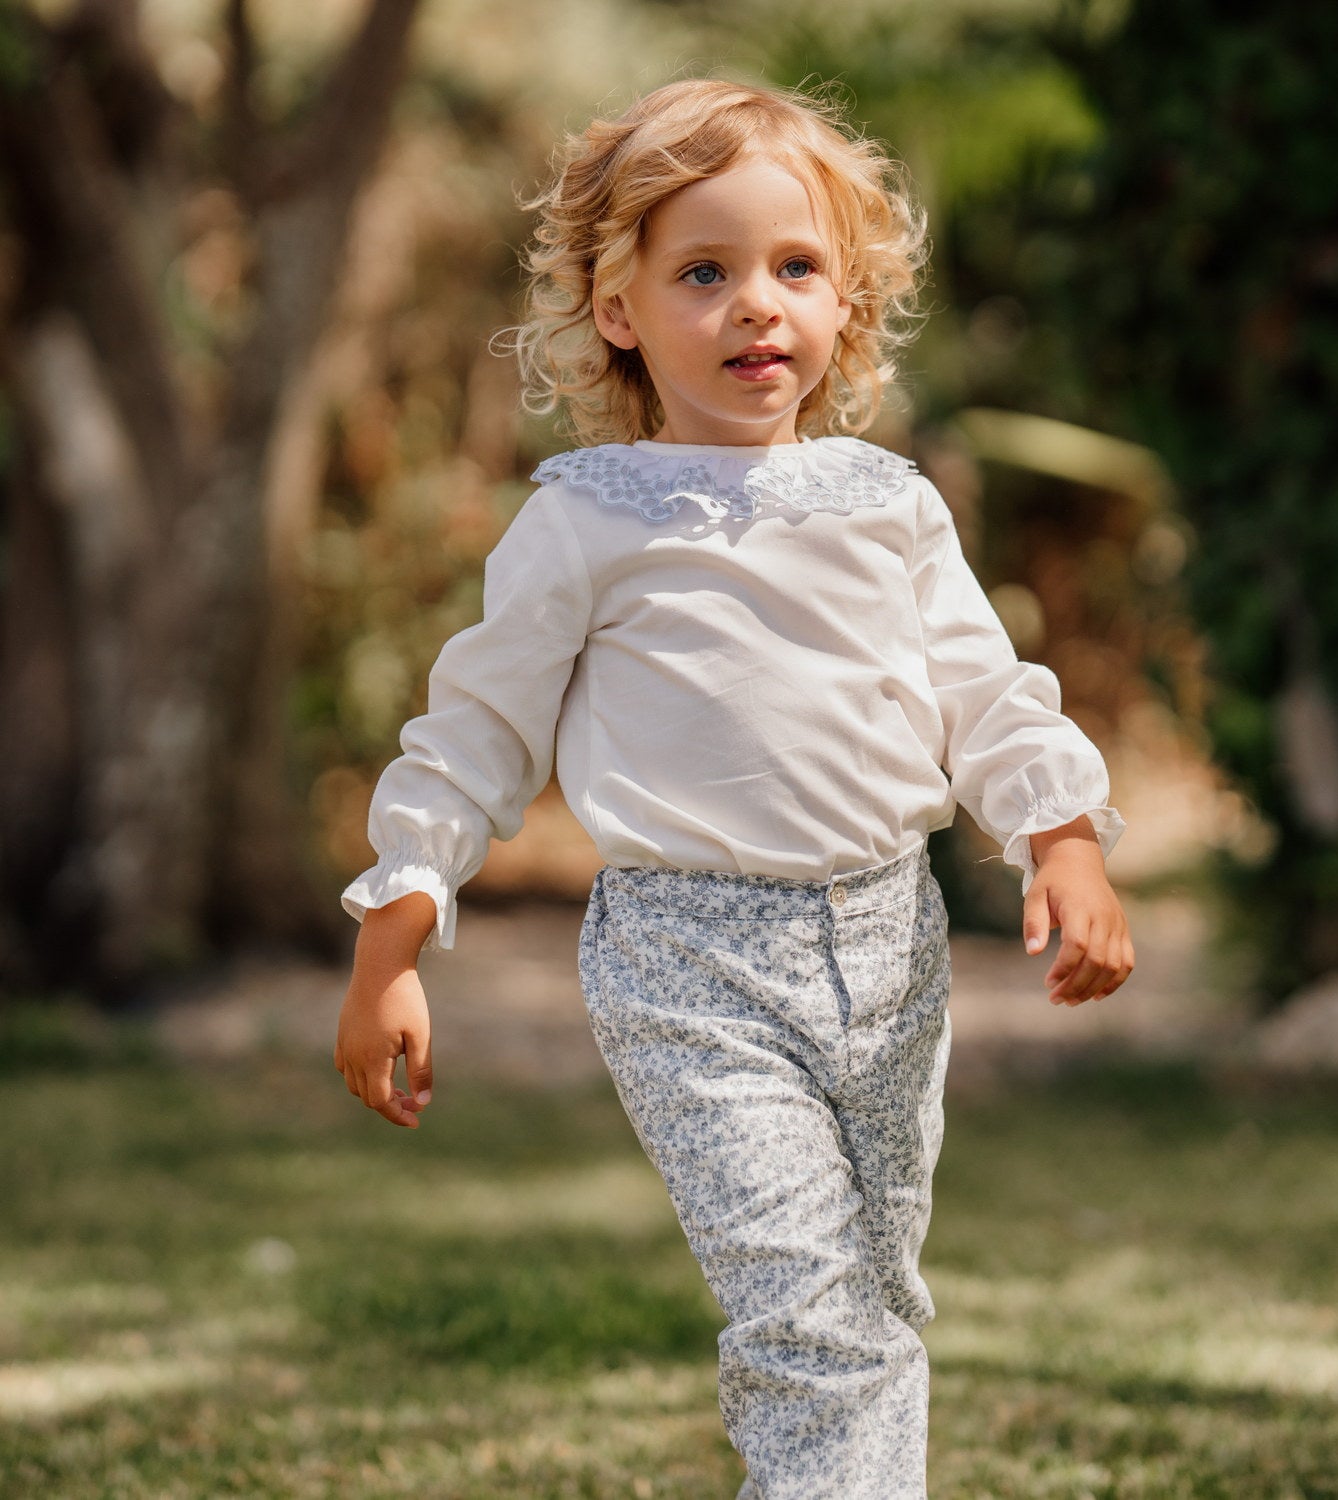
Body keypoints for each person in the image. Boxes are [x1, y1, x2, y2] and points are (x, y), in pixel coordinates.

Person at [334, 77, 1134, 1499]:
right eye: (704, 271)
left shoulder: (889, 506)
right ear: (620, 307)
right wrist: (397, 923)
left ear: (846, 303)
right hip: (685, 961)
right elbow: (474, 735)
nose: (757, 303)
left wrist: (1060, 837)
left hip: (892, 948)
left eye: (796, 266)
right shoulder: (586, 517)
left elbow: (985, 693)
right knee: (807, 1314)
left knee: (875, 1297)